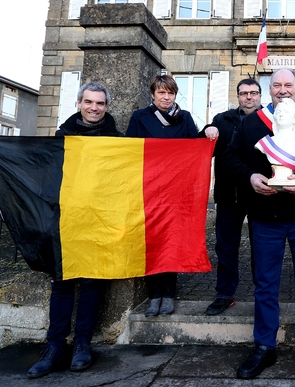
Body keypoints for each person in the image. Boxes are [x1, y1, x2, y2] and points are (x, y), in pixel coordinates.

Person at [224, 68, 295, 382]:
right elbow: (230, 158)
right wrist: (249, 177)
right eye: (276, 85)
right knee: (264, 285)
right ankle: (264, 345)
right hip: (264, 216)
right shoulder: (252, 123)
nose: (283, 90)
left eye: (288, 84)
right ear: (269, 89)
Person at [27, 82, 122, 378]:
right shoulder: (61, 138)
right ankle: (55, 346)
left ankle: (82, 343)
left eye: (100, 103)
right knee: (63, 282)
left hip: (100, 219)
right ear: (79, 103)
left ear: (106, 106)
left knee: (93, 282)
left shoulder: (118, 141)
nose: (95, 108)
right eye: (89, 102)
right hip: (67, 219)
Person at [126, 74, 200, 317]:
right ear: (153, 94)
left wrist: (209, 132)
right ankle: (153, 294)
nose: (166, 97)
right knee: (152, 241)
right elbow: (130, 150)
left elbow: (196, 150)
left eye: (170, 93)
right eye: (161, 93)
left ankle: (168, 294)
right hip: (149, 189)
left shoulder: (185, 118)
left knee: (172, 242)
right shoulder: (140, 117)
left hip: (176, 192)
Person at [200, 78, 262, 316]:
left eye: (253, 93)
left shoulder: (269, 119)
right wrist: (206, 130)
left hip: (260, 195)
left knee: (262, 249)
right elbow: (202, 146)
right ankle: (224, 294)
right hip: (228, 195)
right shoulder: (222, 120)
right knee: (226, 248)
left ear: (259, 96)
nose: (249, 97)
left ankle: (263, 294)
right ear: (238, 96)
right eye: (244, 93)